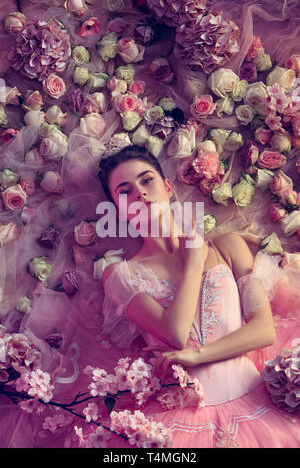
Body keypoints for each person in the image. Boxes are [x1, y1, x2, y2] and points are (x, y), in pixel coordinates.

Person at [98, 145, 300, 448]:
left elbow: (264, 330)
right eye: (125, 192)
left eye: (146, 180)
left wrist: (198, 356)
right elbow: (175, 335)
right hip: (183, 424)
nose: (139, 193)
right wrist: (193, 261)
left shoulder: (228, 246)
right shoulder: (120, 275)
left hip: (260, 406)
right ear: (117, 209)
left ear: (167, 187)